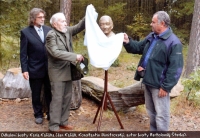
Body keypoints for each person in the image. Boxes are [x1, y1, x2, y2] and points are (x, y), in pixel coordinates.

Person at [123, 11, 183, 131]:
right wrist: (127, 41)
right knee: (151, 112)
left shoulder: (174, 42)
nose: (151, 24)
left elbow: (175, 68)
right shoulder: (152, 36)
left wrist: (166, 87)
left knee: (161, 114)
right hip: (147, 80)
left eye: (153, 22)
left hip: (159, 85)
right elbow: (138, 47)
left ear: (162, 23)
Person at [45, 12, 85, 132]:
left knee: (67, 98)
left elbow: (79, 26)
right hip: (57, 73)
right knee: (57, 99)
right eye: (62, 21)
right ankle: (53, 126)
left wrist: (88, 14)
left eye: (65, 21)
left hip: (68, 71)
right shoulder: (51, 35)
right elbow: (55, 52)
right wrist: (74, 56)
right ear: (55, 24)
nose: (65, 23)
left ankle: (63, 122)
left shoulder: (66, 31)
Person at [20, 8, 52, 124]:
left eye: (43, 17)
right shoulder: (25, 32)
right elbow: (23, 53)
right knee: (36, 93)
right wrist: (24, 69)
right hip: (34, 68)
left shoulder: (49, 30)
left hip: (49, 68)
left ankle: (50, 113)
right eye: (40, 17)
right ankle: (38, 114)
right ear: (33, 18)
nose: (43, 19)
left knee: (49, 92)